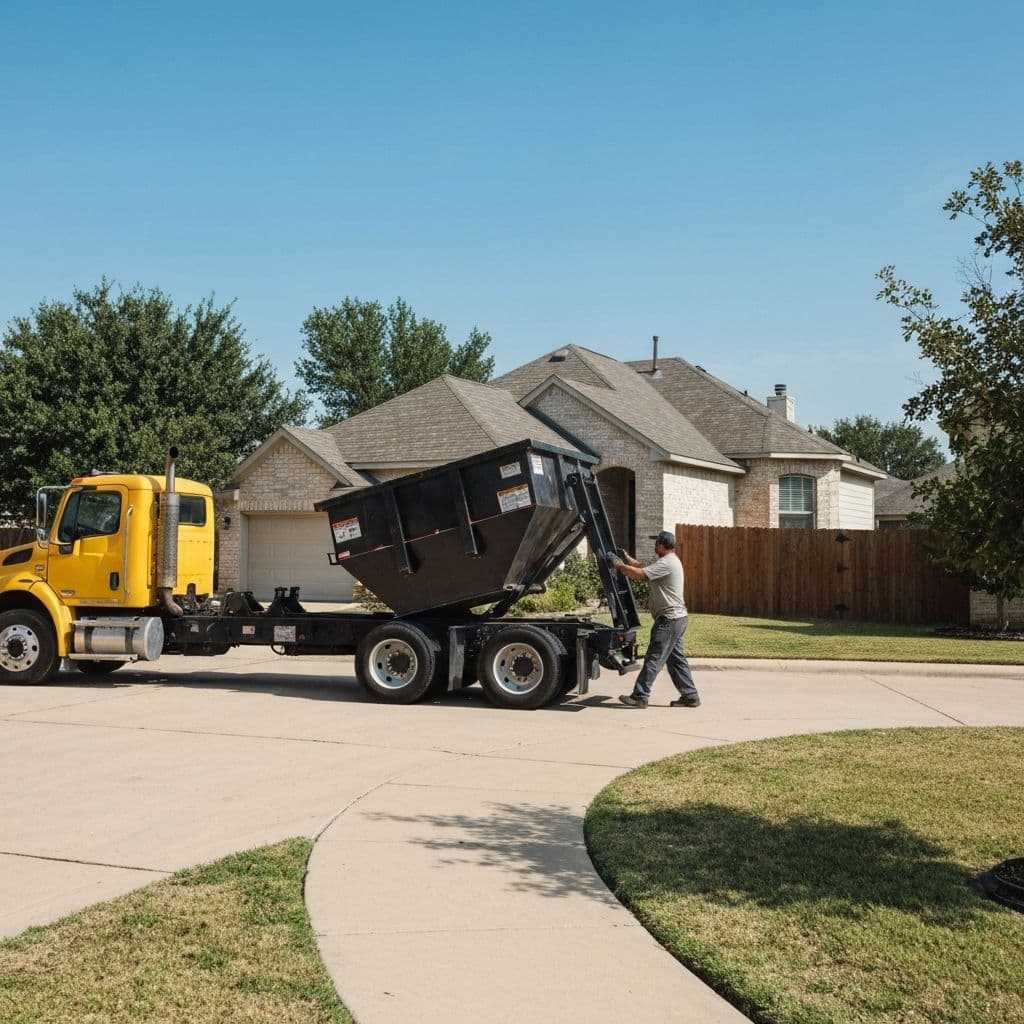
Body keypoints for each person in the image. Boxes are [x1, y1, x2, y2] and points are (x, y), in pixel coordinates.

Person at [610, 530, 700, 708]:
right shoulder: (667, 562)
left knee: (654, 657)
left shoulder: (667, 563)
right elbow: (643, 568)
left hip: (669, 620)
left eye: (656, 543)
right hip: (677, 618)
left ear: (662, 545)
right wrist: (627, 559)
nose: (654, 546)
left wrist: (618, 565)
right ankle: (690, 696)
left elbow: (640, 575)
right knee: (676, 660)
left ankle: (640, 696)